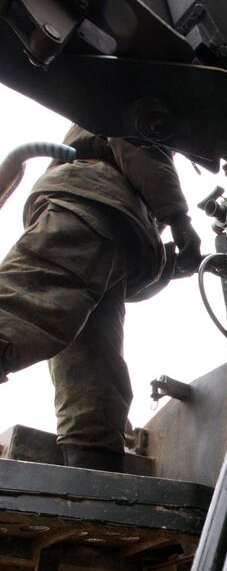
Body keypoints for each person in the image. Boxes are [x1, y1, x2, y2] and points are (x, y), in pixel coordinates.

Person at [0, 124, 201, 473]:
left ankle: (93, 470)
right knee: (20, 310)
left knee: (93, 368)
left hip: (112, 227)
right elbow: (133, 135)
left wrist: (172, 263)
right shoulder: (135, 86)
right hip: (88, 202)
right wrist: (179, 218)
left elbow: (135, 283)